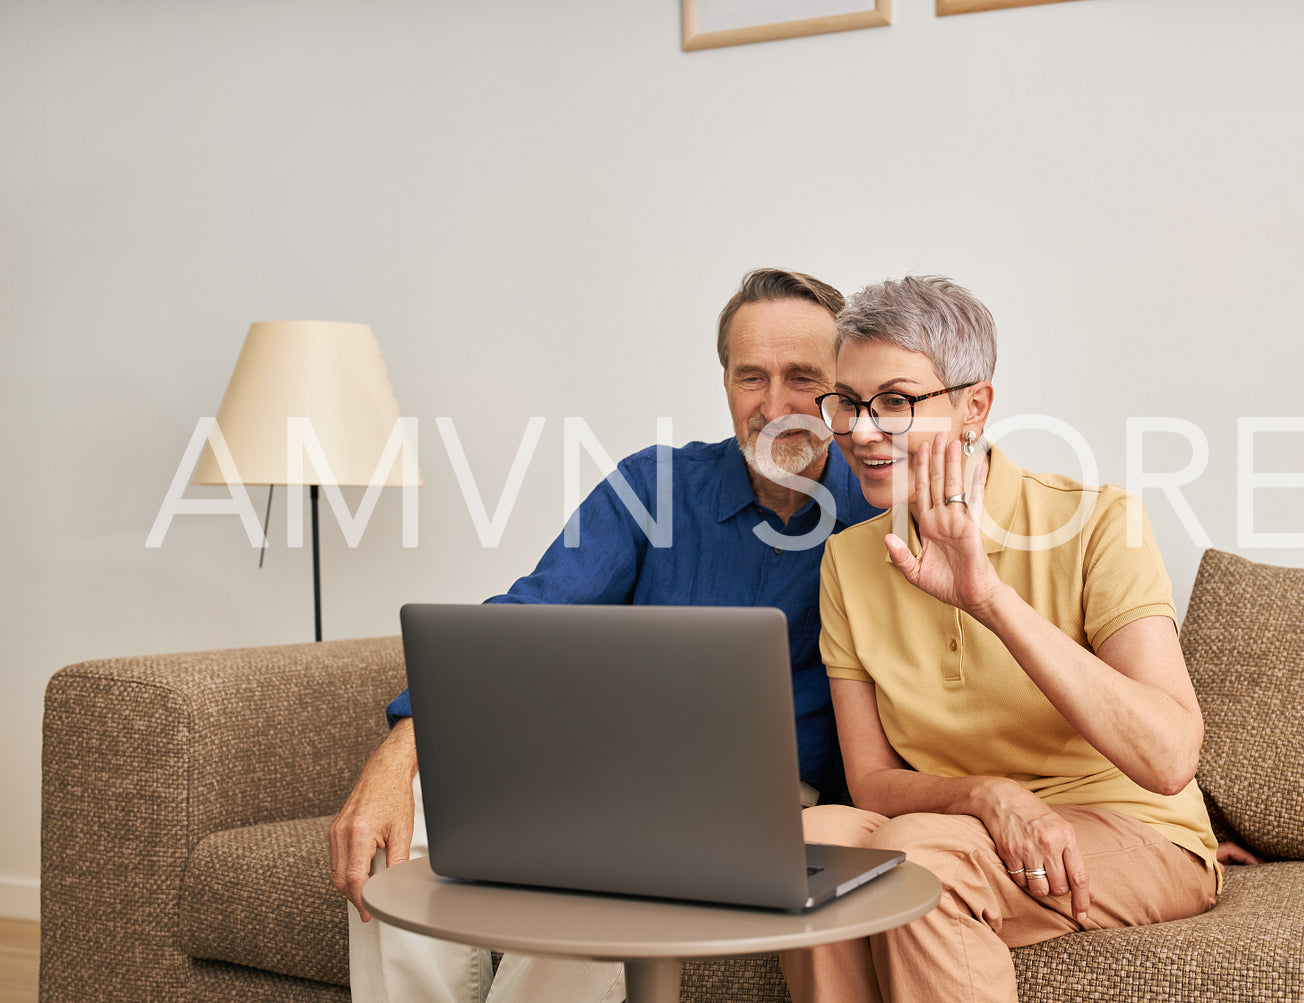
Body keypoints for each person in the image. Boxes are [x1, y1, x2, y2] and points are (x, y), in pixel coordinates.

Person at [328, 267, 881, 1003]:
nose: (774, 405)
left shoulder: (880, 512)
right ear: (723, 382)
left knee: (610, 874)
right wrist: (401, 752)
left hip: (762, 799)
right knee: (396, 843)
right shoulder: (651, 485)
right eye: (751, 376)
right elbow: (526, 619)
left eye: (801, 377)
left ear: (842, 388)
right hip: (594, 766)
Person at [779, 276, 1223, 1002]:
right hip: (952, 823)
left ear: (972, 406)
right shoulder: (850, 560)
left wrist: (986, 596)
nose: (860, 431)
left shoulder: (1098, 522)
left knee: (916, 859)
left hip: (1132, 828)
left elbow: (1168, 756)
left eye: (894, 401)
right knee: (805, 846)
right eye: (849, 402)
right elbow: (871, 781)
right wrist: (990, 795)